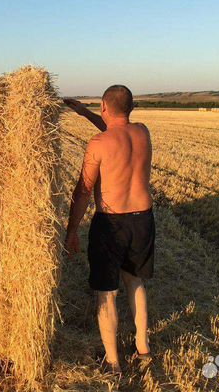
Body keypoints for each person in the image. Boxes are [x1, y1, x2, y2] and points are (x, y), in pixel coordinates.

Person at [63, 85, 154, 376]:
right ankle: (143, 348)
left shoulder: (98, 144)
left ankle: (113, 361)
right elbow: (116, 128)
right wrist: (83, 113)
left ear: (104, 105)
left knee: (106, 293)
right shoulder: (143, 133)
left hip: (111, 224)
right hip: (142, 219)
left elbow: (83, 191)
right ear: (132, 107)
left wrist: (72, 230)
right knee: (135, 281)